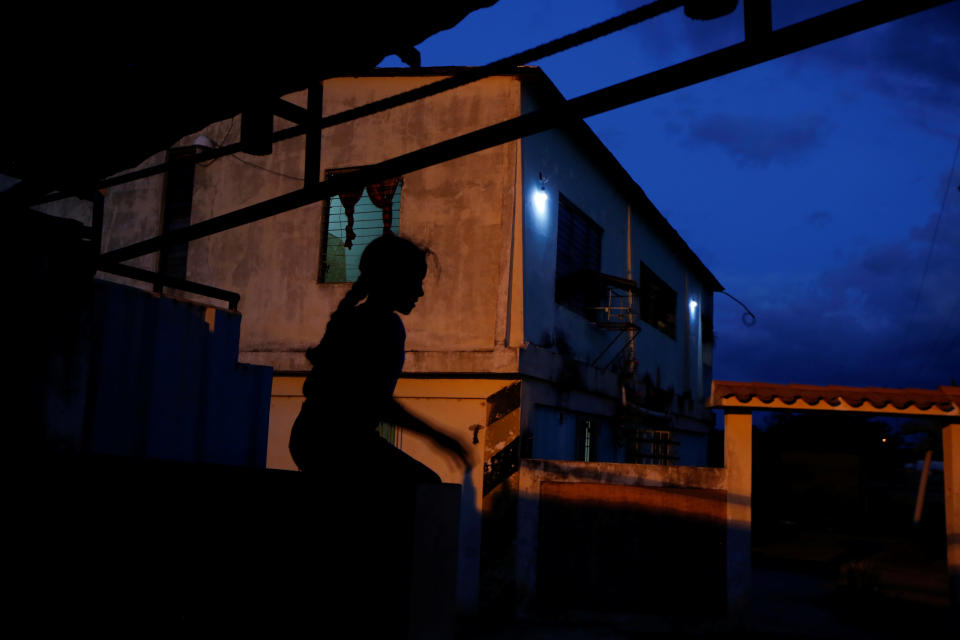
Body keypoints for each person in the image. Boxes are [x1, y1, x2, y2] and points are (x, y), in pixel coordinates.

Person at [289, 233, 470, 484]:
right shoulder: (384, 327)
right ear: (393, 281)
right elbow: (377, 402)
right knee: (427, 486)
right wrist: (437, 436)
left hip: (312, 440)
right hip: (339, 444)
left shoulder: (355, 320)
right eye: (415, 281)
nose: (420, 292)